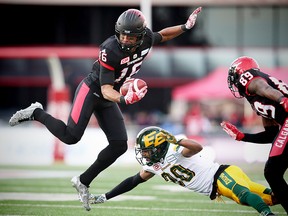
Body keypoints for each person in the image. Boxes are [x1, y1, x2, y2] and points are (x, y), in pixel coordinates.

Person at [8, 7, 202, 211]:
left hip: (111, 94)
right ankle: (36, 112)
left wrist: (185, 26)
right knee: (71, 136)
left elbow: (162, 35)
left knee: (119, 145)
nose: (125, 40)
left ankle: (83, 180)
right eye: (123, 35)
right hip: (93, 90)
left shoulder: (146, 39)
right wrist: (124, 100)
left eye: (130, 37)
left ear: (141, 35)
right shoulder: (109, 49)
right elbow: (106, 89)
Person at [88, 126, 278, 216]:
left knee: (243, 194)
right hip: (217, 187)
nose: (145, 155)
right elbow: (132, 181)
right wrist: (105, 196)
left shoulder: (174, 148)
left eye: (147, 151)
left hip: (222, 175)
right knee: (273, 197)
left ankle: (267, 215)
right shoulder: (154, 165)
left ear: (158, 147)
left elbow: (197, 147)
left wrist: (176, 141)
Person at [220, 56, 288, 214]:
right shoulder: (255, 98)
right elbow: (271, 136)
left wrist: (282, 99)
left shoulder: (249, 78)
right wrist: (243, 137)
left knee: (272, 172)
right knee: (274, 172)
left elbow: (263, 87)